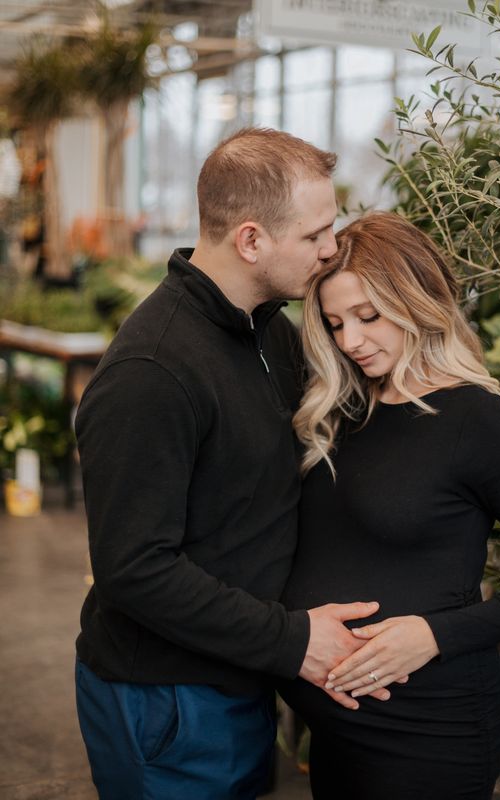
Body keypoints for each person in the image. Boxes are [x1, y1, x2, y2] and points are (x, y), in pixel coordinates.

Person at [74, 128, 389, 800]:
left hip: (238, 671)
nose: (332, 249)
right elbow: (134, 569)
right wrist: (293, 641)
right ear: (251, 240)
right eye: (315, 235)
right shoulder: (151, 373)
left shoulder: (267, 327)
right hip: (167, 698)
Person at [279, 211, 500, 800]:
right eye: (335, 322)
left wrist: (433, 635)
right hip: (335, 728)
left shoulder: (479, 423)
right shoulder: (343, 409)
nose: (351, 341)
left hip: (430, 733)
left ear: (419, 300)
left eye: (369, 317)